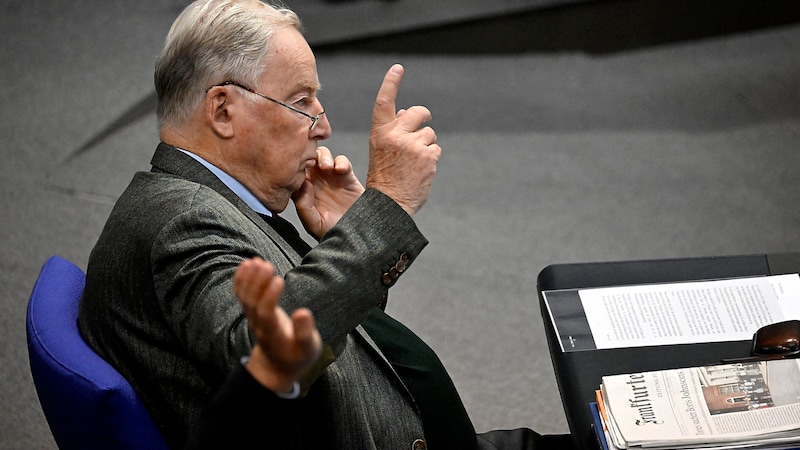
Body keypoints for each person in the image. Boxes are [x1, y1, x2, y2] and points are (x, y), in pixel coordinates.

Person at [78, 0, 575, 449]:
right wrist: (388, 207)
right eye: (301, 101)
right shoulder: (181, 222)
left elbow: (305, 321)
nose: (323, 125)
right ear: (223, 110)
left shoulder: (211, 199)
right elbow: (261, 355)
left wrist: (343, 239)